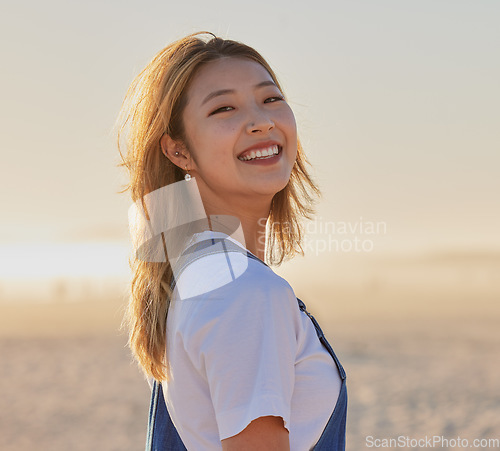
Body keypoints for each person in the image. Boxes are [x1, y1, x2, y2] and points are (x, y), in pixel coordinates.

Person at [117, 31, 347, 450]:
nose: (261, 120)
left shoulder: (196, 271)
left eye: (271, 99)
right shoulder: (243, 292)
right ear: (179, 152)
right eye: (224, 108)